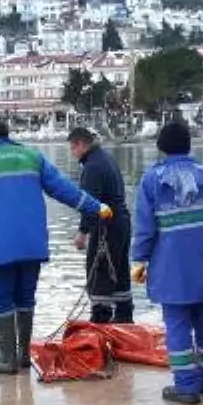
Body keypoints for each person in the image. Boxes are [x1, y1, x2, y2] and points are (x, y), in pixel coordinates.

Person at [0, 120, 112, 374]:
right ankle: (24, 355)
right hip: (31, 245)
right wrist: (97, 207)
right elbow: (64, 189)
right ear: (8, 135)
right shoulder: (32, 157)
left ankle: (6, 359)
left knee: (0, 299)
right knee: (25, 297)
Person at [131, 121, 203, 405]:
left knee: (177, 324)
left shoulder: (152, 180)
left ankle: (186, 385)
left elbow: (145, 228)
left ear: (160, 147)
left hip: (171, 267)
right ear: (190, 145)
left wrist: (139, 260)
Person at [67, 127, 134, 323]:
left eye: (73, 148)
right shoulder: (106, 158)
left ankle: (100, 321)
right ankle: (124, 318)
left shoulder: (93, 167)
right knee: (120, 271)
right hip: (122, 222)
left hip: (107, 225)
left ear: (80, 144)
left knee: (100, 272)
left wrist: (83, 232)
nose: (72, 153)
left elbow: (90, 203)